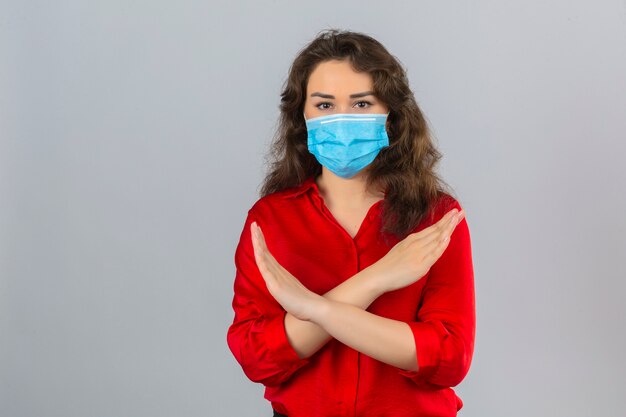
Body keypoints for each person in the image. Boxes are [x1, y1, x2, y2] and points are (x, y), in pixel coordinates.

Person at [226, 28, 475, 417]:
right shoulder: (270, 220)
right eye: (324, 105)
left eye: (361, 104)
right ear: (301, 115)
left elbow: (448, 358)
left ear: (390, 114)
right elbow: (258, 358)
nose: (342, 120)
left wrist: (312, 309)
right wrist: (377, 279)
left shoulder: (437, 218)